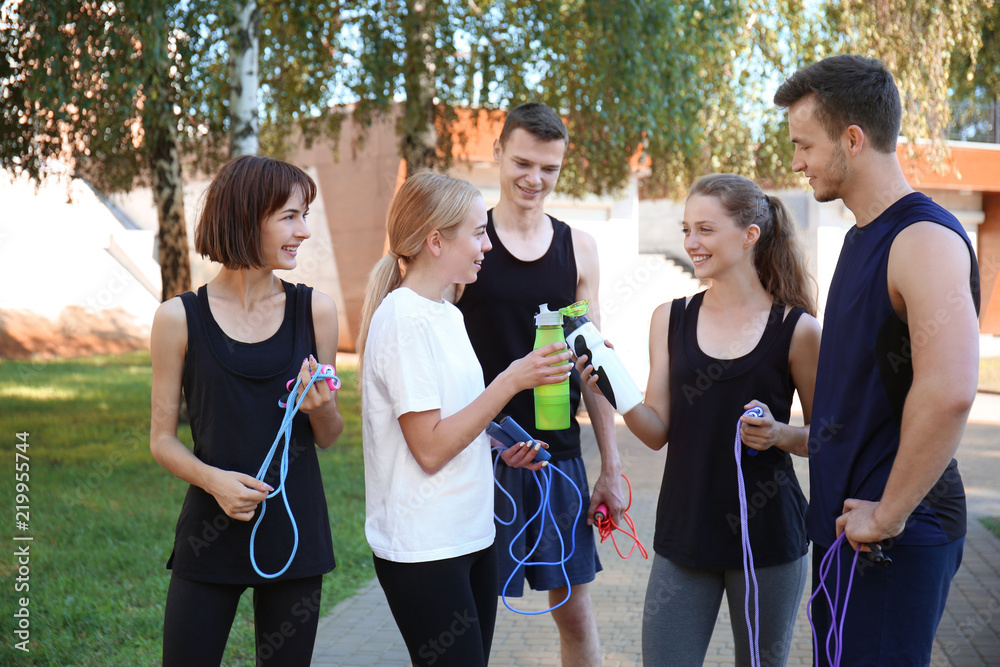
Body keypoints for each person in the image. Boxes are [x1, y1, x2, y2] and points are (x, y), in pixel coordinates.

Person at [774, 55, 981, 666]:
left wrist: (888, 515)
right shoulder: (862, 236)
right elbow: (864, 398)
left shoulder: (923, 238)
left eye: (804, 145)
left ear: (853, 140)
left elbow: (950, 392)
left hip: (896, 534)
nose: (796, 162)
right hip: (850, 533)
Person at [580, 173, 821, 666]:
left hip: (769, 540)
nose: (691, 243)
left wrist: (779, 434)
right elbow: (655, 432)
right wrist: (605, 384)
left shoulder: (798, 330)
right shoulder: (670, 318)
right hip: (684, 534)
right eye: (686, 229)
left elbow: (826, 438)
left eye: (705, 230)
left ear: (750, 234)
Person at [356, 171, 573, 667]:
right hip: (425, 546)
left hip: (472, 534)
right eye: (477, 232)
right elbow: (429, 449)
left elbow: (454, 420)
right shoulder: (404, 320)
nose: (488, 244)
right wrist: (511, 381)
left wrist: (499, 445)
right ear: (436, 241)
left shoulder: (447, 314)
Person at [149, 155, 345, 666]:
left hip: (294, 533)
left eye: (305, 216)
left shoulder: (316, 310)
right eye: (289, 216)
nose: (303, 231)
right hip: (208, 535)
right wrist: (215, 482)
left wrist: (319, 408)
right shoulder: (178, 318)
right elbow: (161, 440)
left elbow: (329, 434)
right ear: (244, 216)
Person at [453, 102, 625, 666]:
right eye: (523, 163)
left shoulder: (578, 249)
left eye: (549, 168)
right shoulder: (466, 241)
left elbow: (593, 368)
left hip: (558, 458)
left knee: (574, 616)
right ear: (497, 153)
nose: (535, 179)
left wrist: (613, 466)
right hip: (479, 456)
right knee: (469, 619)